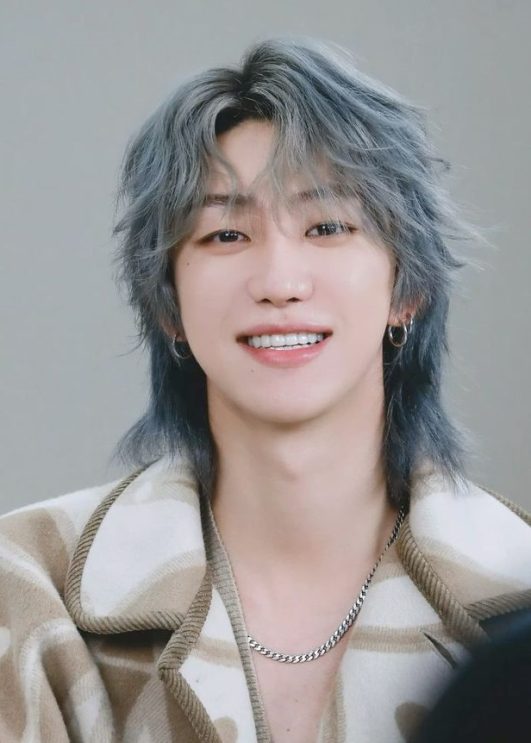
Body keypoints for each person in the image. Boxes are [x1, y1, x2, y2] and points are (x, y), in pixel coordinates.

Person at [0, 36, 530, 743]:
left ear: (408, 290)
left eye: (328, 226)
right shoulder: (31, 586)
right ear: (167, 305)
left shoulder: (517, 591)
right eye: (225, 234)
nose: (280, 282)